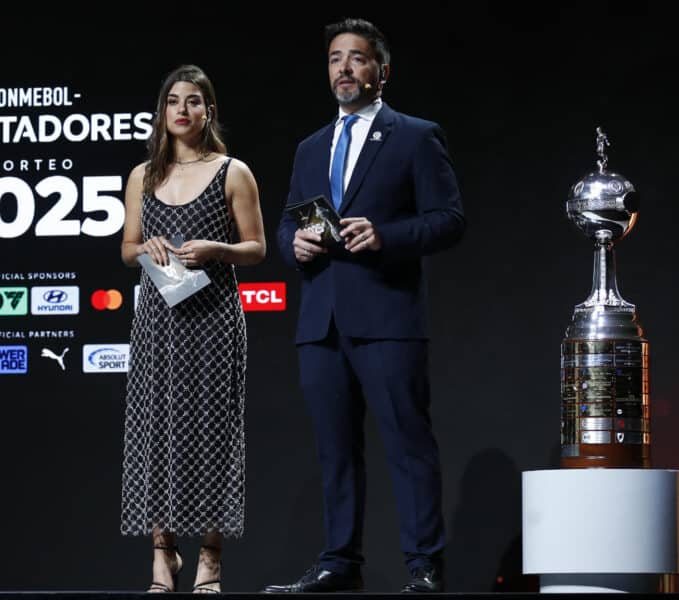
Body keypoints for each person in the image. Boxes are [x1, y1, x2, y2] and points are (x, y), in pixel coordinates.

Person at [261, 18, 465, 594]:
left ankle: (424, 566)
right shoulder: (310, 147)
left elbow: (450, 220)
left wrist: (385, 236)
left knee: (407, 443)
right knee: (335, 450)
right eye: (333, 59)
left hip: (388, 316)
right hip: (320, 321)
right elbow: (286, 221)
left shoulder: (415, 135)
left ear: (382, 70)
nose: (343, 68)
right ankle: (339, 563)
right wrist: (291, 245)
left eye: (356, 58)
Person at [120, 64, 266, 594]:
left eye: (194, 101)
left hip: (214, 320)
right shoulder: (144, 175)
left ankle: (210, 557)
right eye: (173, 101)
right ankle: (163, 557)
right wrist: (146, 249)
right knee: (155, 434)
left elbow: (257, 248)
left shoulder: (233, 171)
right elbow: (127, 248)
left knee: (212, 435)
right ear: (163, 112)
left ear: (209, 112)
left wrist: (216, 250)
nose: (183, 110)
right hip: (159, 322)